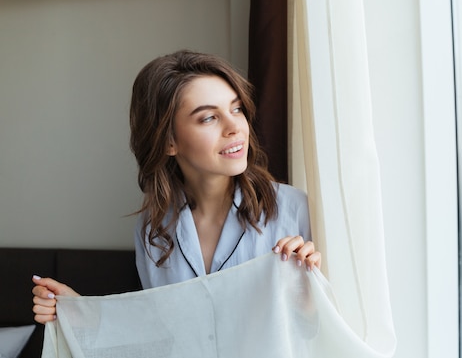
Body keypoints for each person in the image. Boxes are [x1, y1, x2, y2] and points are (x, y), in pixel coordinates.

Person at [32, 50, 321, 323]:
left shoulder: (296, 211)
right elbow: (162, 331)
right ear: (169, 141)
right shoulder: (152, 229)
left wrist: (312, 292)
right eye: (208, 117)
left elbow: (321, 328)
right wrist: (79, 312)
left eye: (236, 109)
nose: (235, 127)